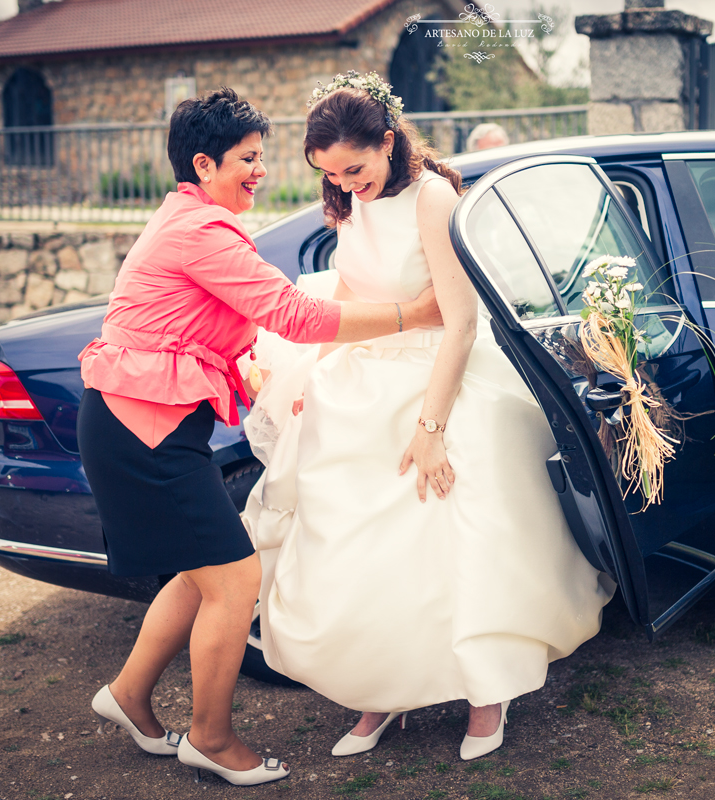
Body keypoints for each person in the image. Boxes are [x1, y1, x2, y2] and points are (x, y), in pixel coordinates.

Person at [241, 72, 614, 763]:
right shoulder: (351, 201)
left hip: (439, 379)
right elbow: (350, 292)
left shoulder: (432, 195)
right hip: (361, 382)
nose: (346, 183)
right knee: (360, 551)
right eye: (331, 174)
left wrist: (431, 427)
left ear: (387, 141)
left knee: (455, 541)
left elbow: (461, 322)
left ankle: (485, 695)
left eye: (355, 167)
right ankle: (381, 692)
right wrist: (313, 369)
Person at [75, 87, 442, 787]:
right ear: (204, 163)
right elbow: (293, 316)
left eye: (261, 157)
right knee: (236, 576)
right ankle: (211, 737)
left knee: (199, 570)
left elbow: (218, 330)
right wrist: (412, 314)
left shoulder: (194, 219)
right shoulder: (202, 232)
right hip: (138, 426)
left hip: (143, 421)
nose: (260, 171)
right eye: (247, 159)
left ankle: (127, 697)